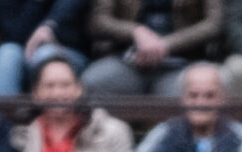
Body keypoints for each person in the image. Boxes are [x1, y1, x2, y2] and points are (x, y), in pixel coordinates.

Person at [13, 54, 135, 152]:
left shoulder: (114, 131)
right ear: (36, 93)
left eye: (65, 85)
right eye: (49, 86)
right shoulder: (24, 135)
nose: (57, 93)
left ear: (79, 89)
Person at [83, 0, 220, 103]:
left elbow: (215, 23)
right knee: (91, 82)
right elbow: (98, 21)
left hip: (182, 62)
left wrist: (166, 44)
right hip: (128, 59)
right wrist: (135, 32)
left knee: (193, 94)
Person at [0, 0, 89, 98]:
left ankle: (54, 112)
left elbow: (71, 8)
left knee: (44, 54)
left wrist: (50, 25)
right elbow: (12, 32)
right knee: (6, 54)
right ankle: (0, 114)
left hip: (70, 51)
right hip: (22, 50)